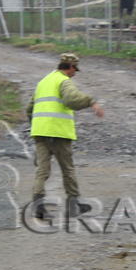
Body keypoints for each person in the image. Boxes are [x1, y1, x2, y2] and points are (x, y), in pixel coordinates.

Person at [27, 53, 104, 219]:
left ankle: (38, 205)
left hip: (40, 132)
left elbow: (29, 108)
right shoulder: (63, 81)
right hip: (58, 132)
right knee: (67, 169)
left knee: (42, 171)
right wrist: (91, 102)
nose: (75, 73)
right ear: (70, 67)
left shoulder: (43, 82)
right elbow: (71, 99)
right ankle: (73, 205)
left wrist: (36, 127)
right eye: (75, 69)